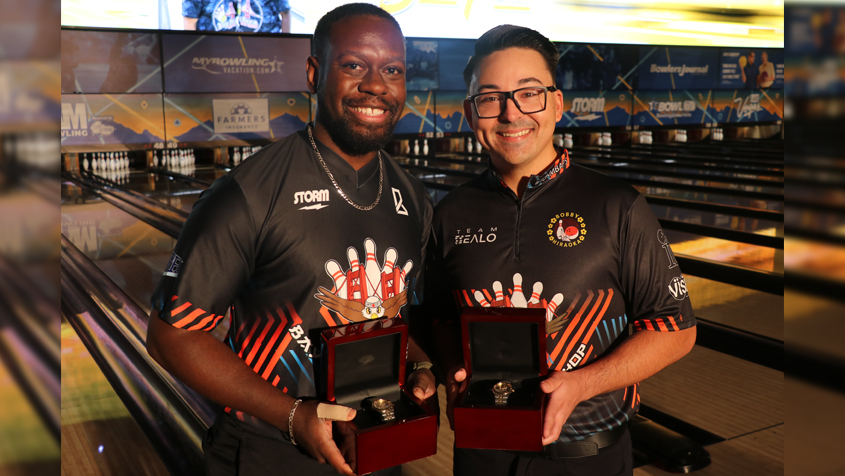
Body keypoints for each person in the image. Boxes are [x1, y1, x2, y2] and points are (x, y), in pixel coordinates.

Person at [146, 4, 436, 475]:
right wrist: (292, 414)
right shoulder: (248, 194)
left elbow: (390, 316)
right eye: (354, 65)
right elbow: (170, 336)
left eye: (393, 70)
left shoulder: (414, 198)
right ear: (314, 73)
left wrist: (418, 364)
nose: (376, 85)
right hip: (269, 451)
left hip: (377, 444)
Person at [424, 25, 697, 476]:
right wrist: (452, 367)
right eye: (490, 98)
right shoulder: (450, 213)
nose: (511, 115)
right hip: (481, 456)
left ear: (556, 103)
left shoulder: (617, 206)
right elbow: (436, 317)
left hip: (590, 459)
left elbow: (675, 329)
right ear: (471, 114)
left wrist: (583, 383)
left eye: (528, 93)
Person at [183, 0, 291, 33]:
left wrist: (285, 48)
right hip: (215, 57)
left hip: (264, 57)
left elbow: (285, 13)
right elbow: (190, 21)